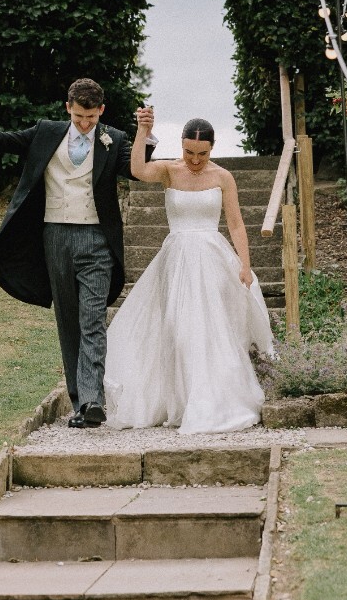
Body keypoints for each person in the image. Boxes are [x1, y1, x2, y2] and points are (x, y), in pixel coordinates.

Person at [0, 79, 156, 430]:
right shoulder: (45, 132)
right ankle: (80, 402)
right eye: (80, 116)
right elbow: (0, 143)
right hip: (54, 237)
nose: (85, 124)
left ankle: (94, 400)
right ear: (68, 107)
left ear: (102, 110)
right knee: (68, 321)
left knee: (93, 319)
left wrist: (145, 132)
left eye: (92, 117)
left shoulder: (115, 139)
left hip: (97, 240)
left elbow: (137, 171)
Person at [104, 114, 274, 434]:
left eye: (202, 153)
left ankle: (211, 401)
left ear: (212, 148)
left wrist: (245, 265)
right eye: (189, 152)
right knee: (178, 330)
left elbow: (236, 223)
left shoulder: (223, 177)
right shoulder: (169, 170)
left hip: (211, 257)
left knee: (209, 330)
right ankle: (180, 403)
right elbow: (137, 170)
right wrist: (142, 132)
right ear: (181, 146)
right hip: (176, 258)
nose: (195, 160)